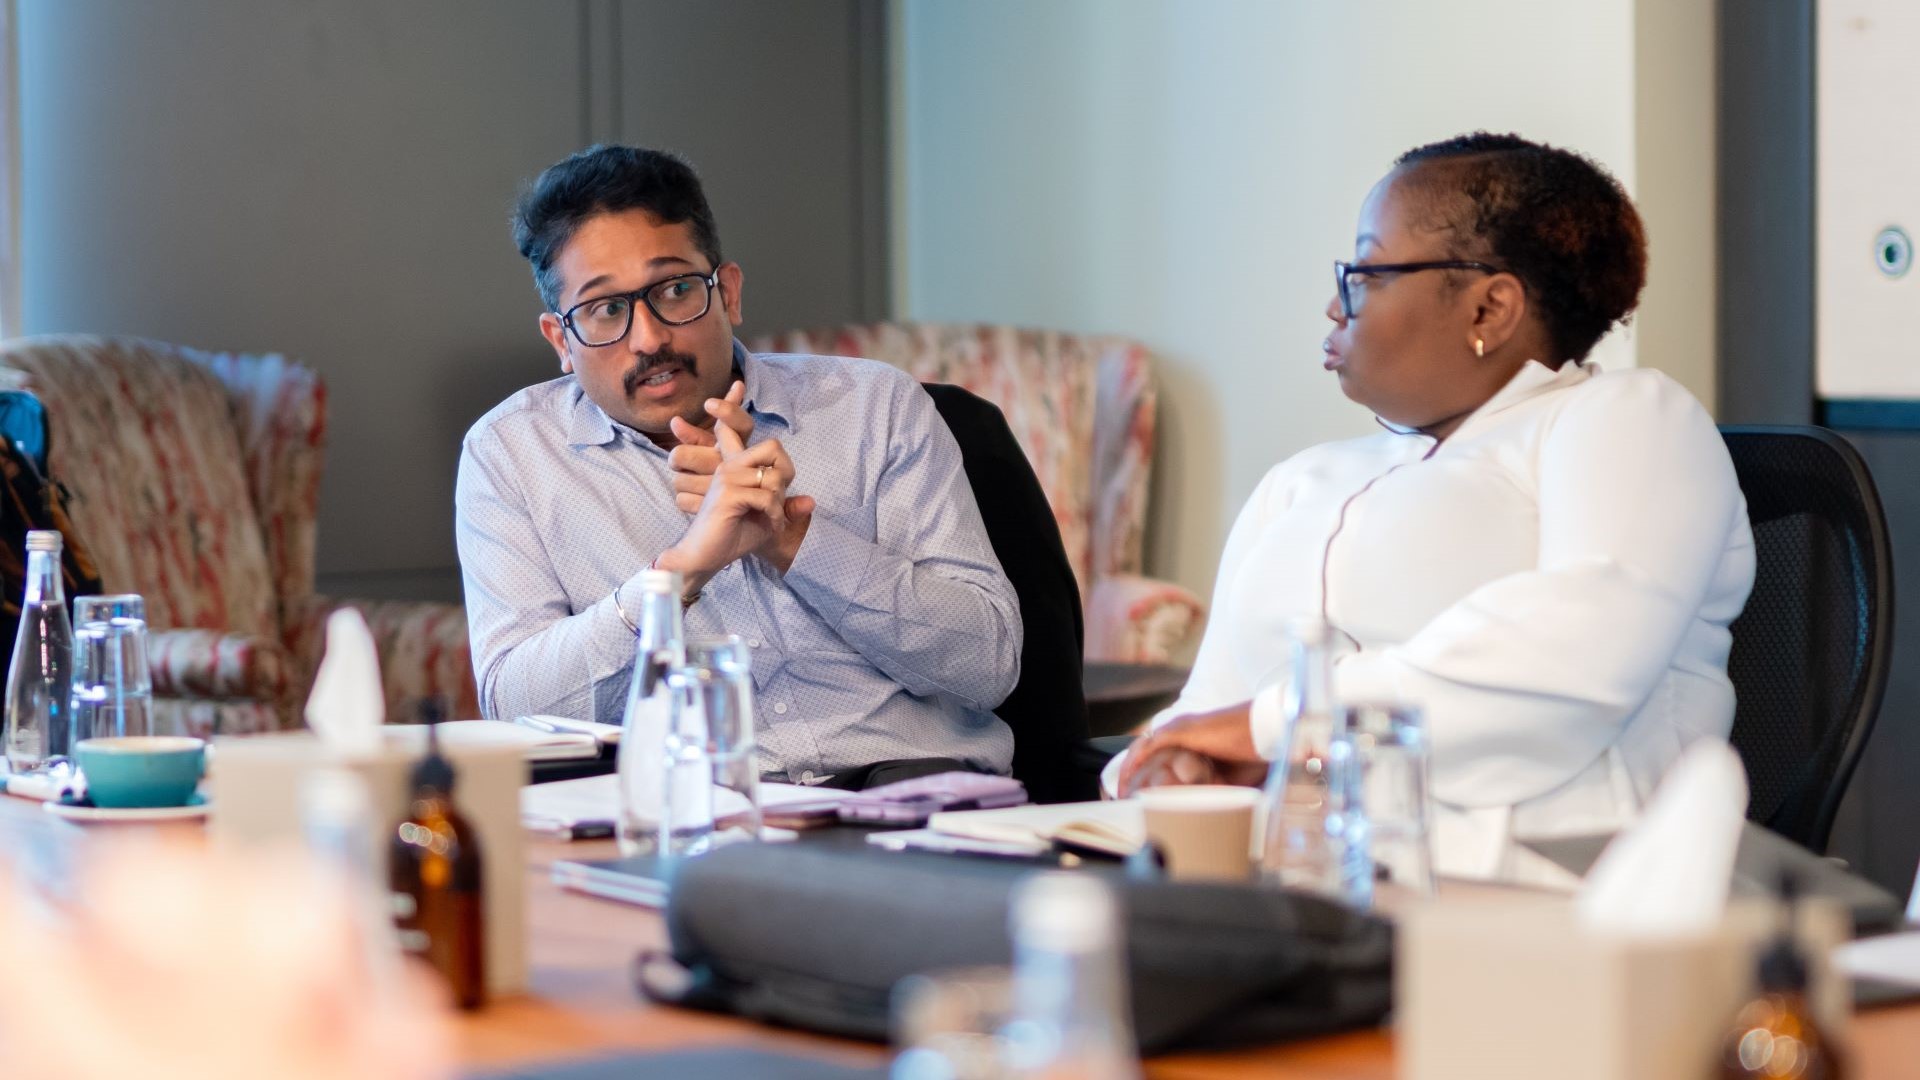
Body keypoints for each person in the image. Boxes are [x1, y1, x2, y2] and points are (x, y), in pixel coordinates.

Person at [1112, 133, 1756, 883]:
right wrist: (1173, 766)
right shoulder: (1307, 478)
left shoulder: (1626, 417)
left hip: (1533, 894)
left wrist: (1277, 729)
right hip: (1272, 885)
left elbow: (1571, 660)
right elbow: (1210, 709)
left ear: (1490, 306)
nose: (1335, 302)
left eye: (1366, 272)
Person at [457, 145, 1021, 788]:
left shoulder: (874, 407)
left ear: (727, 291)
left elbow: (988, 664)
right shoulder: (510, 456)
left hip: (915, 795)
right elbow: (516, 709)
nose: (648, 339)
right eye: (605, 309)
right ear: (561, 340)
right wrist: (681, 574)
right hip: (691, 815)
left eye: (673, 290)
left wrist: (792, 540)